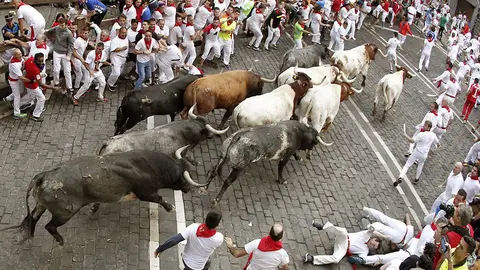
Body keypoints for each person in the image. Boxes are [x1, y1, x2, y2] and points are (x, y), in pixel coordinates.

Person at [154, 210, 223, 270]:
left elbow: (175, 240)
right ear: (218, 225)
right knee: (207, 264)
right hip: (198, 266)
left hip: (186, 259)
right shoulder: (219, 238)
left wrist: (160, 249)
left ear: (206, 218)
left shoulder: (193, 227)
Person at [304, 221, 382, 265]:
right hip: (344, 238)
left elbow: (364, 260)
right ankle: (322, 227)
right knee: (344, 231)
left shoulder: (365, 251)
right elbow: (372, 230)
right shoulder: (366, 235)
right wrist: (384, 236)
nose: (372, 245)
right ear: (374, 239)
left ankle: (312, 258)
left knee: (336, 259)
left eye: (373, 247)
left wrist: (375, 263)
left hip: (343, 248)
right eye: (374, 244)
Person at [18, 53, 61, 121]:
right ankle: (36, 115)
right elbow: (41, 84)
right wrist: (53, 88)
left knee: (30, 96)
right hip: (32, 85)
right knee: (41, 98)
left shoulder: (30, 59)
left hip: (29, 83)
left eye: (42, 61)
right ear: (35, 60)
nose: (41, 63)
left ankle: (17, 104)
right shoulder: (35, 70)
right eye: (39, 61)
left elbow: (23, 67)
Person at [225, 224, 289, 270]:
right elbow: (285, 268)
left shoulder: (257, 243)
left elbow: (236, 254)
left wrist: (230, 246)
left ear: (269, 233)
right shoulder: (282, 254)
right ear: (281, 237)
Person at [394, 120, 438, 185]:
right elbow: (438, 143)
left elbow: (412, 141)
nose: (424, 126)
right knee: (420, 165)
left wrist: (405, 135)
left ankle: (401, 176)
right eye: (424, 125)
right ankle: (416, 179)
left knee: (407, 164)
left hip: (417, 152)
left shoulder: (421, 134)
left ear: (429, 128)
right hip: (424, 154)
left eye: (426, 125)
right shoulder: (433, 135)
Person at [432, 204, 474, 268]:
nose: (453, 210)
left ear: (458, 218)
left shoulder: (448, 237)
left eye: (455, 211)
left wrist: (437, 242)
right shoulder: (470, 230)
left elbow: (440, 257)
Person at [45, 17, 74, 95]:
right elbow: (49, 31)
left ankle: (69, 87)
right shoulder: (57, 28)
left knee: (67, 71)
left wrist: (69, 55)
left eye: (62, 25)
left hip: (65, 53)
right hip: (56, 51)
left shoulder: (69, 33)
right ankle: (56, 83)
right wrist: (48, 37)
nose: (60, 27)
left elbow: (71, 45)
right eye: (60, 25)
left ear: (66, 25)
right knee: (56, 70)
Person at [4, 48, 27, 119]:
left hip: (16, 79)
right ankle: (16, 113)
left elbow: (22, 61)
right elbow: (21, 77)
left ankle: (8, 98)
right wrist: (30, 80)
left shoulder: (17, 58)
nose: (21, 55)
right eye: (19, 54)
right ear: (14, 55)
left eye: (20, 53)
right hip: (14, 81)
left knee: (21, 91)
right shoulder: (14, 65)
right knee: (17, 96)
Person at [107, 27, 129, 92]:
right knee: (116, 73)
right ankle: (109, 83)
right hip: (116, 57)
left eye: (125, 33)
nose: (124, 34)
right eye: (123, 33)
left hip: (123, 58)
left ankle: (113, 81)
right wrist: (122, 49)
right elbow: (113, 49)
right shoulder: (115, 40)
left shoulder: (126, 38)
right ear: (119, 32)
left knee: (119, 72)